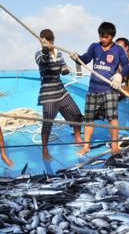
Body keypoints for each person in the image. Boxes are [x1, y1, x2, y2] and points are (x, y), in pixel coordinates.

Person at [72, 22, 129, 156]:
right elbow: (85, 60)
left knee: (112, 118)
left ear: (112, 36)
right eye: (101, 36)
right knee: (89, 119)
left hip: (110, 89)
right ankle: (86, 146)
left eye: (106, 37)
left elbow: (126, 66)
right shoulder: (95, 47)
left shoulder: (119, 50)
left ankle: (114, 145)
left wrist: (119, 76)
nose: (103, 39)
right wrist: (77, 58)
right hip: (93, 89)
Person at [36, 29, 83, 161]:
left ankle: (78, 137)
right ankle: (45, 149)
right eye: (47, 40)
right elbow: (42, 62)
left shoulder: (59, 53)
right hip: (48, 94)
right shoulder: (39, 54)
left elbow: (63, 71)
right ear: (41, 40)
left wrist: (66, 70)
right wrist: (45, 50)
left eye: (51, 40)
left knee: (76, 114)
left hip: (61, 91)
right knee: (47, 123)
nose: (50, 42)